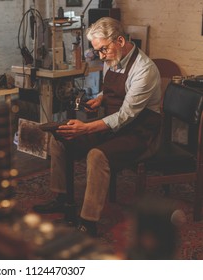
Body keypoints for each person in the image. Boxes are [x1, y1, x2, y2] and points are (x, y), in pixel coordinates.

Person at [33, 17, 162, 237]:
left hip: (140, 133)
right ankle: (62, 198)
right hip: (116, 127)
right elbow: (115, 91)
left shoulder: (144, 70)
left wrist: (86, 127)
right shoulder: (112, 56)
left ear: (120, 41)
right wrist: (100, 98)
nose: (101, 56)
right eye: (98, 51)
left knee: (96, 155)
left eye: (104, 50)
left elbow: (126, 115)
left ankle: (88, 221)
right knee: (60, 138)